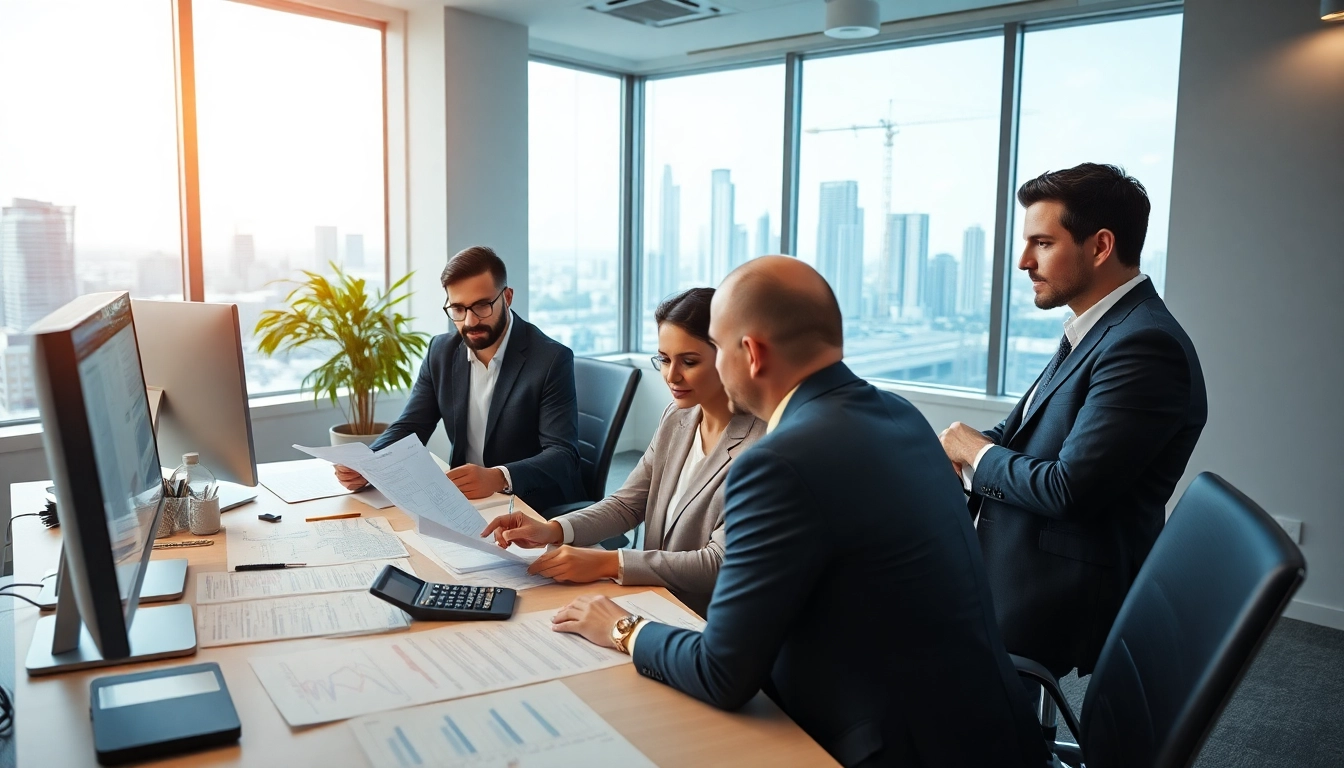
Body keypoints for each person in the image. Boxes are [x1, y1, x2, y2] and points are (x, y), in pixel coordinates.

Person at [547, 257, 1047, 768]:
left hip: (886, 747)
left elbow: (723, 675)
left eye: (716, 351)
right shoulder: (901, 415)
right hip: (989, 729)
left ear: (752, 354)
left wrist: (622, 628)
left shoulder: (777, 462)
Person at [939, 163, 1207, 680]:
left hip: (1054, 590)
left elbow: (1069, 489)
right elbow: (1022, 433)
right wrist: (953, 449)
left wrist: (974, 452)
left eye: (1041, 242)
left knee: (863, 622)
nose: (1023, 261)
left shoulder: (1143, 346)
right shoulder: (1098, 329)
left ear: (1100, 246)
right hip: (1018, 552)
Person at [481, 288, 766, 617]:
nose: (671, 376)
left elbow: (717, 562)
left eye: (689, 361)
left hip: (704, 623)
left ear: (728, 356)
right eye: (664, 359)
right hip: (651, 601)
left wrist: (607, 562)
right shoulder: (677, 417)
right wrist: (552, 530)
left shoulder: (761, 445)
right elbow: (626, 504)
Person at [334, 246, 585, 514]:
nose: (470, 321)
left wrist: (499, 477)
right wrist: (369, 463)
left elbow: (563, 456)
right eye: (458, 308)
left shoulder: (550, 359)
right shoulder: (441, 351)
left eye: (482, 306)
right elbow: (411, 425)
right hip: (465, 503)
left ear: (507, 297)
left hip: (531, 506)